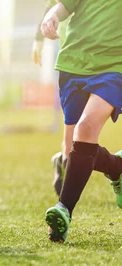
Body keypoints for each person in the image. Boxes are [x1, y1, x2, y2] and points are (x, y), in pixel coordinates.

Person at [41, 0, 122, 243]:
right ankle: (117, 168)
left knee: (86, 128)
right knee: (72, 154)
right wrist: (52, 15)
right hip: (73, 64)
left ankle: (63, 209)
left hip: (113, 67)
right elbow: (65, 5)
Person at [32, 0, 71, 197]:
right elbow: (49, 10)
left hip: (102, 59)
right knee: (75, 128)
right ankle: (64, 160)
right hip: (72, 61)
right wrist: (38, 42)